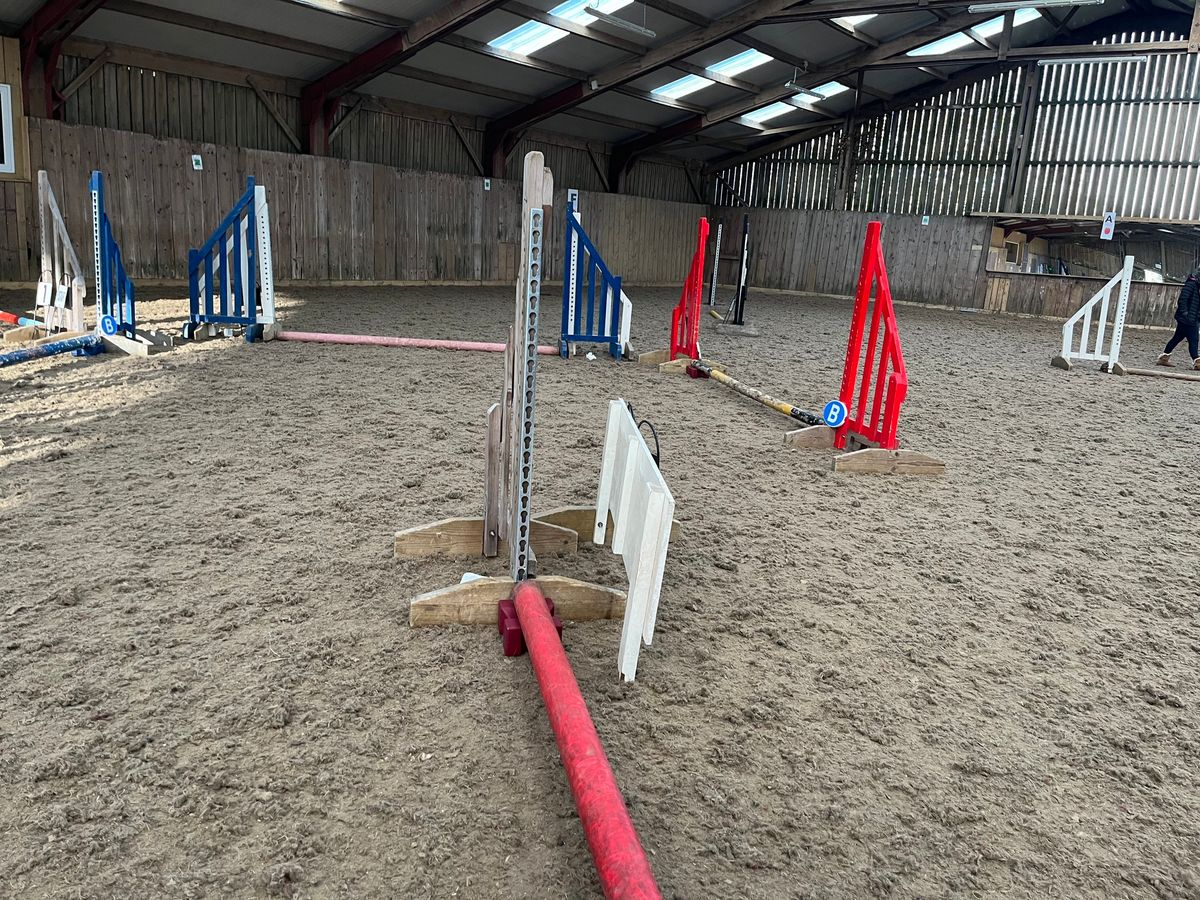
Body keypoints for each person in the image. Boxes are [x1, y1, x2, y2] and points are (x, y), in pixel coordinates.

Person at [1157, 268, 1200, 370]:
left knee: (1177, 338)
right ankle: (1197, 361)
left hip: (1191, 318)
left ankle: (1164, 357)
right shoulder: (1191, 285)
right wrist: (1185, 314)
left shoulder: (1196, 285)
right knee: (1194, 340)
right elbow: (1183, 299)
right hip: (1188, 318)